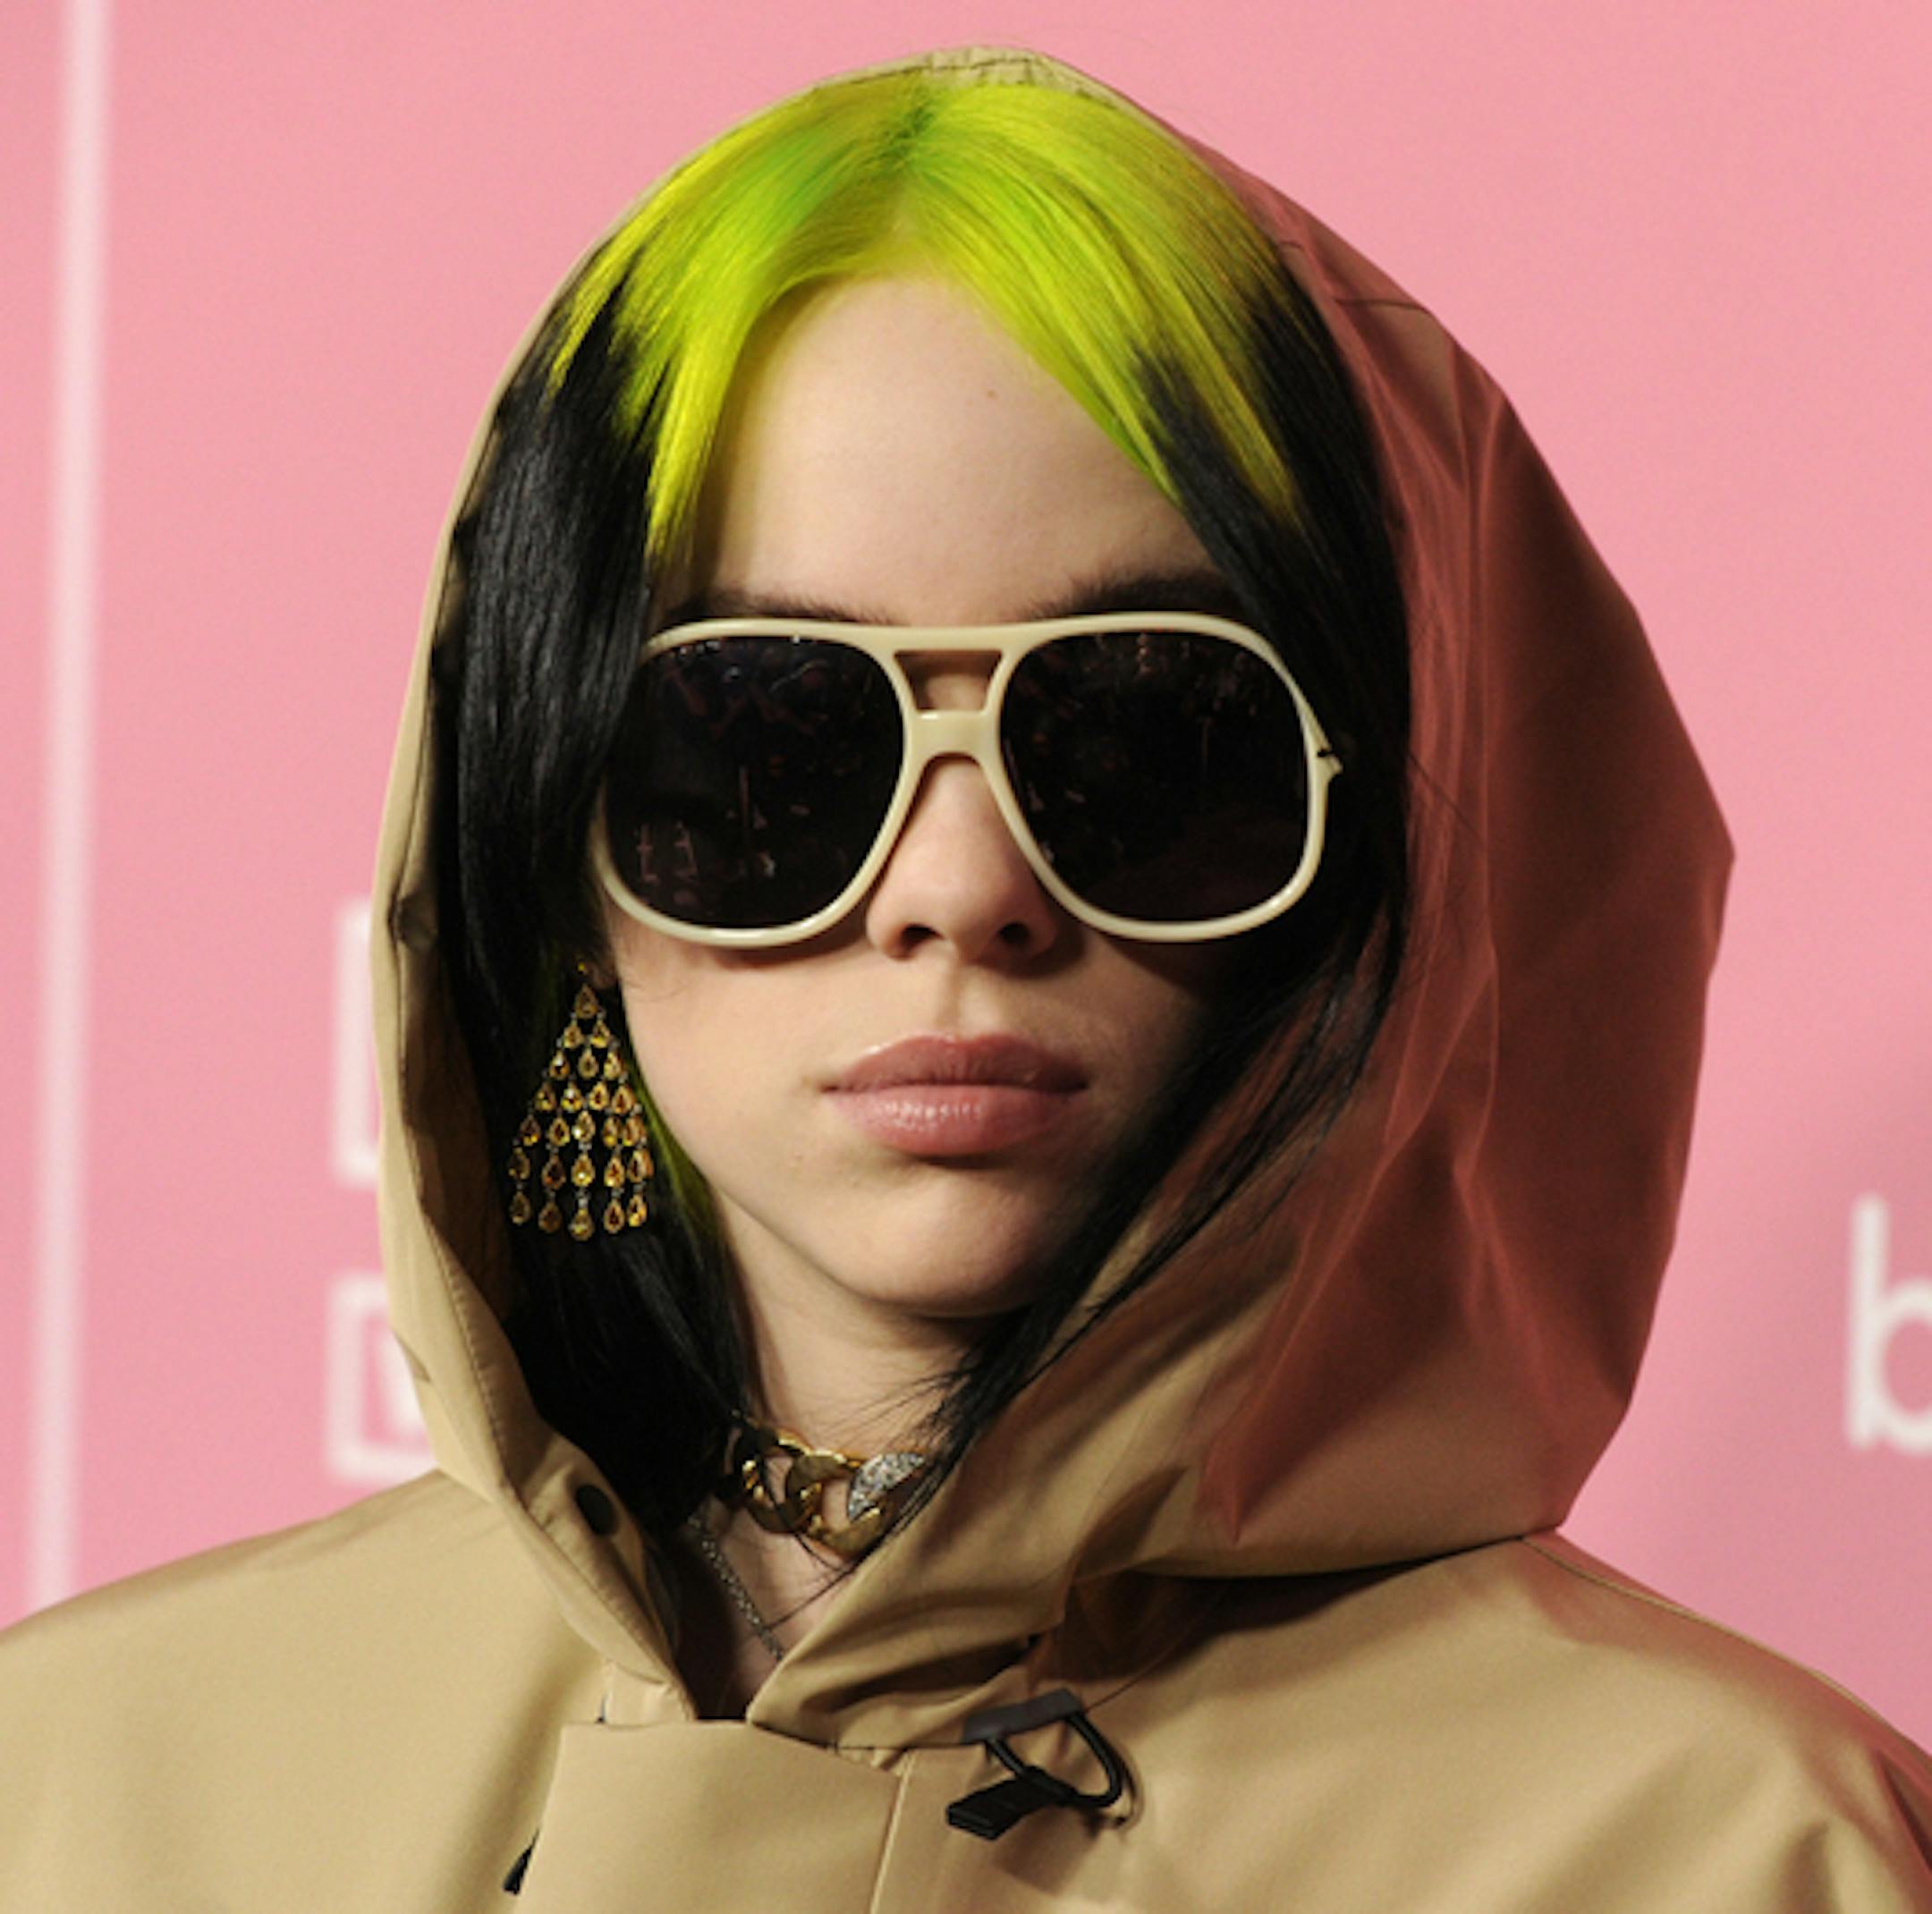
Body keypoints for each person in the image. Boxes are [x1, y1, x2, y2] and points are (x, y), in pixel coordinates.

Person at [4, 45, 1929, 1911]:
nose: (957, 887)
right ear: (548, 844)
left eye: (1142, 743)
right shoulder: (92, 1788)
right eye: (764, 746)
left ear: (1378, 850)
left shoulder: (1740, 1854)